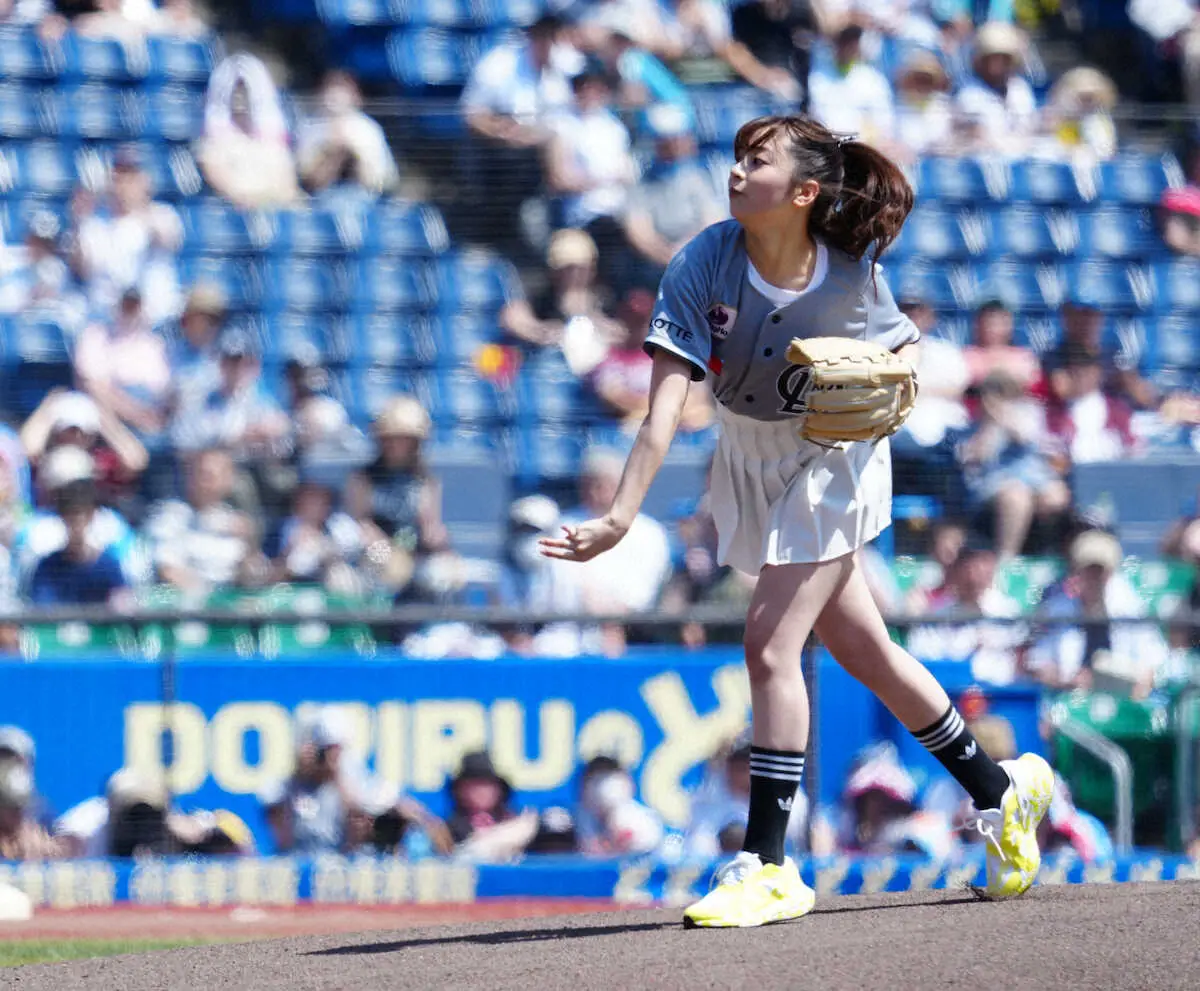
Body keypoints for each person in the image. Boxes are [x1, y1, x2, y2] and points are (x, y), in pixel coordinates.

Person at [540, 113, 1053, 928]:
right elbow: (663, 413)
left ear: (806, 191)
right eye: (738, 156)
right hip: (748, 455)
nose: (738, 170)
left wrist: (892, 379)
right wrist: (619, 516)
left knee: (771, 643)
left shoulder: (850, 277)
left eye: (759, 159)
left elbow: (907, 354)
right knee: (867, 651)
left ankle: (770, 863)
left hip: (831, 456)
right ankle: (1004, 789)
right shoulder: (703, 261)